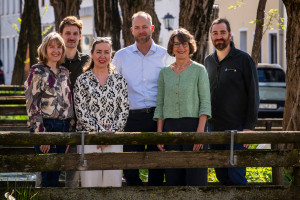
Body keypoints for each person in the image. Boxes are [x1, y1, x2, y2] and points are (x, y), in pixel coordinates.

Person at [112, 11, 174, 186]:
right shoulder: (121, 56)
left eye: (144, 27)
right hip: (131, 116)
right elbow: (114, 89)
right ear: (131, 30)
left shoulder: (165, 55)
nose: (141, 31)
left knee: (158, 165)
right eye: (137, 27)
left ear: (152, 28)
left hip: (158, 117)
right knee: (130, 165)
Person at [204, 18, 259, 186]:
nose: (219, 36)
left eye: (222, 32)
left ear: (230, 35)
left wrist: (249, 128)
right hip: (213, 129)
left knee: (236, 176)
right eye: (215, 33)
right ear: (211, 36)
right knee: (221, 176)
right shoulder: (208, 61)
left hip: (238, 129)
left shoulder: (244, 60)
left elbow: (254, 95)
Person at [153, 28, 211, 186]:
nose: (181, 48)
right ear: (171, 47)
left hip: (194, 128)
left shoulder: (199, 70)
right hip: (170, 130)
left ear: (190, 46)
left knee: (196, 180)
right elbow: (160, 104)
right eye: (176, 44)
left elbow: (205, 104)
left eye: (184, 44)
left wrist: (200, 133)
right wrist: (159, 133)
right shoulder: (164, 73)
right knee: (173, 179)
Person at [74, 37, 129, 187]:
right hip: (90, 138)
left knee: (113, 184)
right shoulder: (82, 81)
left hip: (114, 137)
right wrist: (99, 133)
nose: (102, 56)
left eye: (106, 52)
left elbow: (123, 110)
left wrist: (111, 133)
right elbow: (81, 111)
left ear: (111, 54)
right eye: (98, 52)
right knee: (90, 184)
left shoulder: (119, 80)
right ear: (91, 54)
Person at [24, 32, 74, 187]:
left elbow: (69, 102)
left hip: (63, 128)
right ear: (44, 49)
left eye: (59, 47)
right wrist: (41, 135)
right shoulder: (37, 71)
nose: (56, 50)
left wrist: (69, 132)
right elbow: (32, 104)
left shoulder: (64, 72)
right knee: (48, 176)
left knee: (56, 172)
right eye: (52, 46)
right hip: (45, 126)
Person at [58, 15, 90, 188]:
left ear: (79, 36)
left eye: (75, 33)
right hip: (55, 123)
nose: (71, 37)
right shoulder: (53, 59)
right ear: (61, 34)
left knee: (73, 174)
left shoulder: (87, 61)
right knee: (47, 170)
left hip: (79, 125)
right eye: (67, 33)